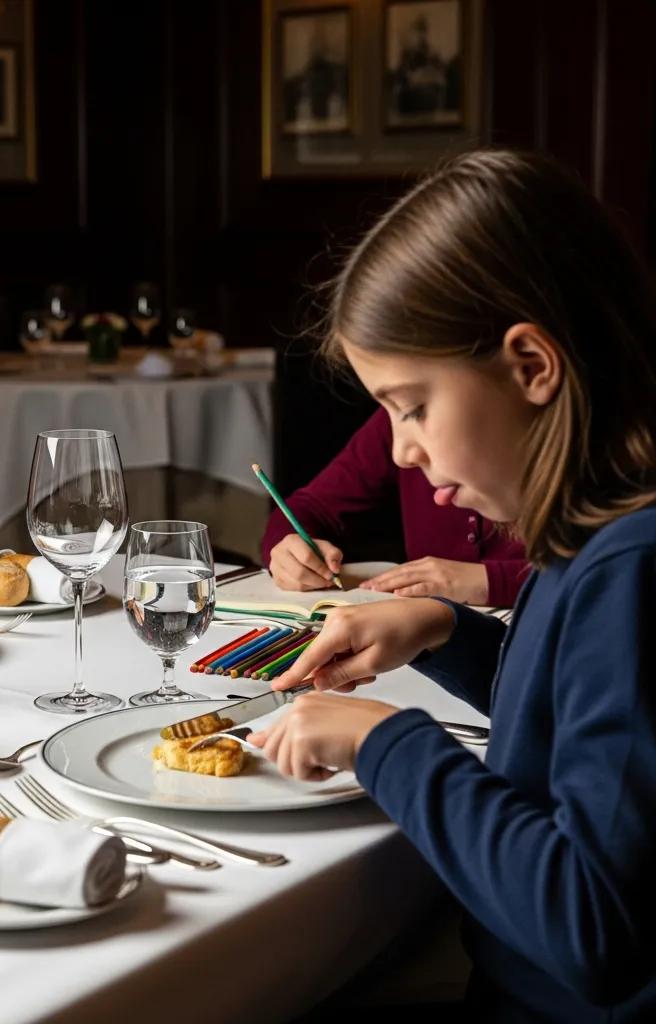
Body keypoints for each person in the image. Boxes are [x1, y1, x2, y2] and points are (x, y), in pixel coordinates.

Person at [251, 149, 656, 1019]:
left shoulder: (630, 569)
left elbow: (592, 926)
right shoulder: (587, 542)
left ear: (531, 367)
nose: (400, 450)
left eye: (414, 405)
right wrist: (442, 629)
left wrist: (384, 743)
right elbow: (574, 721)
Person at [262, 408, 530, 606]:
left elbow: (570, 580)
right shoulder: (394, 425)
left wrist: (491, 581)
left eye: (416, 411)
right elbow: (311, 507)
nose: (400, 456)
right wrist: (288, 550)